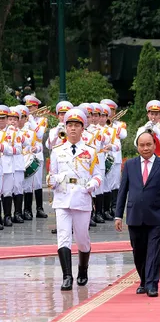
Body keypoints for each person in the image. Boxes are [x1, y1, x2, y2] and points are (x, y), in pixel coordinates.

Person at [115, 128, 160, 298]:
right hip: (135, 216)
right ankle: (143, 280)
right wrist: (118, 215)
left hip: (157, 216)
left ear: (154, 145)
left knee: (154, 251)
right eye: (142, 145)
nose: (145, 148)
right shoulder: (129, 165)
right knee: (138, 251)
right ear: (137, 147)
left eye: (149, 144)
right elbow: (123, 191)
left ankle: (152, 284)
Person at [46, 108, 102, 290]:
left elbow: (99, 175)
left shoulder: (91, 151)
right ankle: (67, 276)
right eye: (69, 125)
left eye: (76, 125)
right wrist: (51, 181)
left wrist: (92, 185)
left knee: (82, 238)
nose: (72, 129)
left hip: (81, 197)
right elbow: (52, 174)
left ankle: (83, 269)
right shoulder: (57, 151)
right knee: (63, 237)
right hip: (62, 198)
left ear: (82, 128)